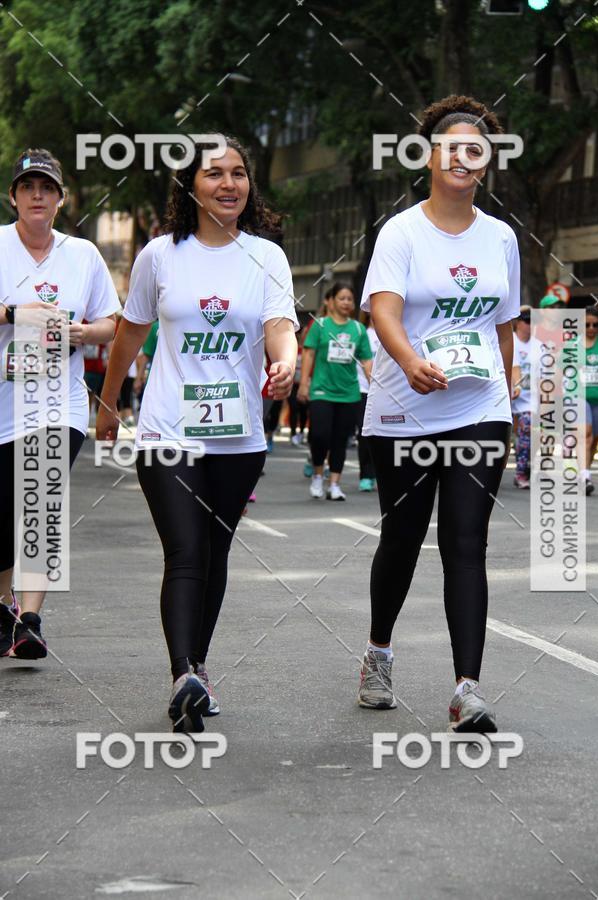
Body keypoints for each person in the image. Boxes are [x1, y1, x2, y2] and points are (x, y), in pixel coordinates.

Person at [96, 137, 298, 732]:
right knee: (185, 551)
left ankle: (198, 668)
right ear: (191, 186)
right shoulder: (160, 256)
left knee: (215, 551)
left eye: (238, 174)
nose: (229, 184)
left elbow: (280, 326)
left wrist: (283, 362)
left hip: (240, 436)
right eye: (215, 174)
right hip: (167, 430)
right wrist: (108, 406)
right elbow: (130, 334)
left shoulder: (267, 256)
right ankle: (183, 672)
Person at [357, 95, 520, 734]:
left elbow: (503, 324)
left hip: (479, 408)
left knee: (465, 543)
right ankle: (378, 654)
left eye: (475, 149)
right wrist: (411, 363)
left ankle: (467, 689)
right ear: (430, 155)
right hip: (405, 406)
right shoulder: (401, 231)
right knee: (402, 537)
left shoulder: (501, 237)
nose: (463, 157)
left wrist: (502, 395)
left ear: (486, 164)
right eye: (452, 146)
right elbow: (385, 312)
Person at [0, 148, 119, 658]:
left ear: (61, 199)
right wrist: (13, 312)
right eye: (28, 187)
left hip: (59, 403)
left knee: (40, 502)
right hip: (3, 403)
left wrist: (82, 331)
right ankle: (6, 610)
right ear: (13, 197)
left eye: (46, 188)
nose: (37, 196)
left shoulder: (84, 255)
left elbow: (111, 324)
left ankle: (29, 619)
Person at [298, 282, 373, 501]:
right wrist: (304, 384)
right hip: (322, 391)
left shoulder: (359, 329)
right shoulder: (320, 326)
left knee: (341, 439)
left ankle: (335, 484)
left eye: (350, 299)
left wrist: (375, 386)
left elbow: (366, 360)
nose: (346, 302)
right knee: (320, 435)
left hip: (349, 393)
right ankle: (318, 476)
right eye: (342, 298)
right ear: (331, 301)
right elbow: (309, 355)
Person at [357, 312, 380, 491]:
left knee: (385, 435)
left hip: (390, 391)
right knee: (365, 435)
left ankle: (382, 474)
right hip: (363, 389)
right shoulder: (362, 333)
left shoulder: (400, 331)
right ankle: (366, 474)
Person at [511, 306, 533, 489]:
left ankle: (521, 471)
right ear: (518, 322)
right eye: (527, 320)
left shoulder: (539, 344)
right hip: (505, 395)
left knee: (526, 431)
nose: (531, 324)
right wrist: (516, 385)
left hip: (528, 399)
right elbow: (514, 367)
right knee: (500, 440)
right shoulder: (509, 339)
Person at [583, 306, 598, 495]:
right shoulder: (573, 345)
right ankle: (584, 477)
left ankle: (585, 469)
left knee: (595, 439)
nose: (591, 328)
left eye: (595, 324)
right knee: (586, 434)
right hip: (579, 397)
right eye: (587, 324)